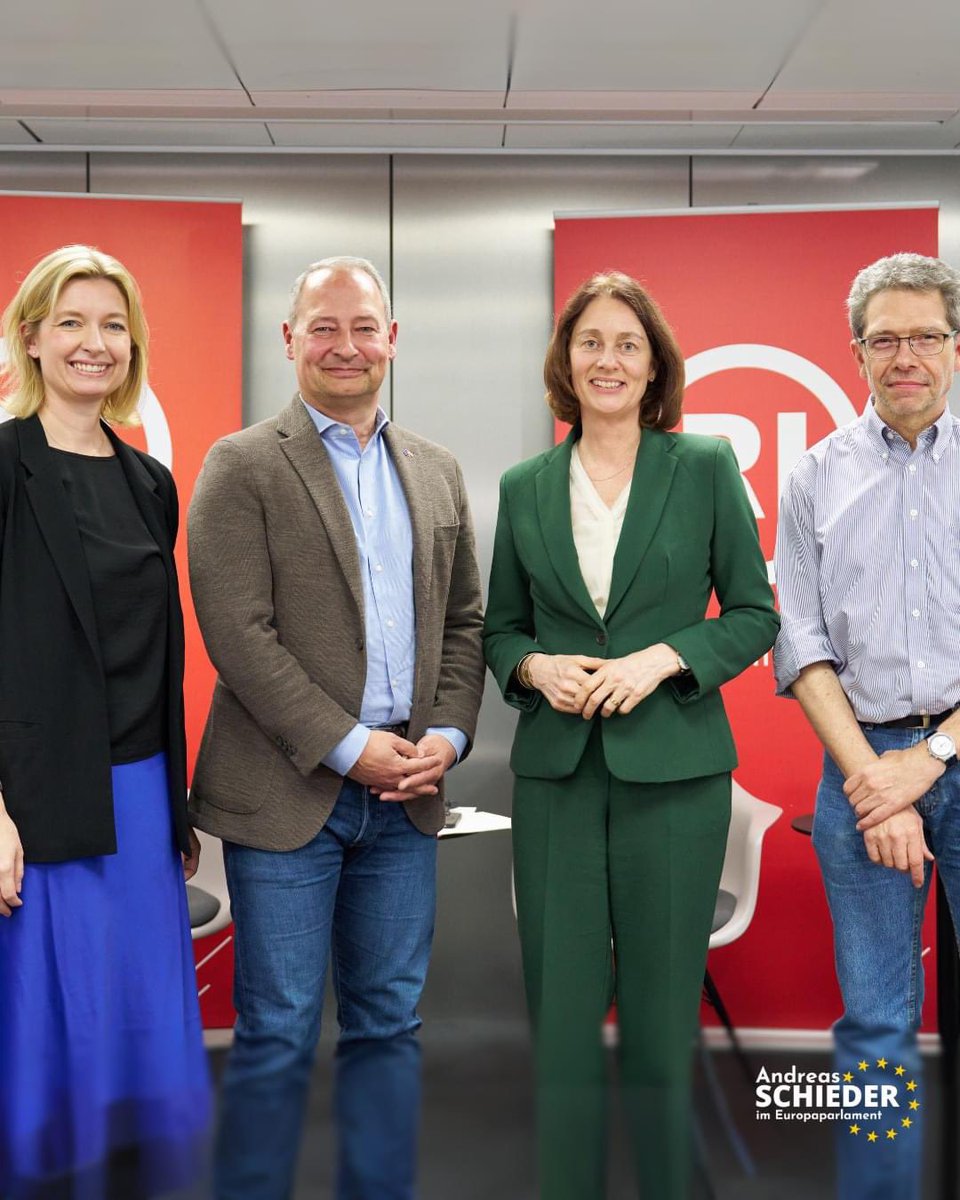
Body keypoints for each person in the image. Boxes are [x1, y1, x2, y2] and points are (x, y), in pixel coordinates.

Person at [187, 254, 485, 1200]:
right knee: (276, 1029)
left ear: (392, 339)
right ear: (290, 340)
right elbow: (239, 634)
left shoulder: (436, 471)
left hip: (409, 795)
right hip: (288, 797)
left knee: (389, 1024)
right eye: (324, 326)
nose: (346, 346)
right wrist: (350, 749)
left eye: (364, 327)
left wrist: (446, 737)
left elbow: (467, 623)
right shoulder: (240, 465)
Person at [482, 270, 778, 1199]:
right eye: (590, 343)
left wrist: (664, 658)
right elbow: (500, 631)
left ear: (655, 367)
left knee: (658, 1026)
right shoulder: (526, 485)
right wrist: (535, 670)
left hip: (678, 780)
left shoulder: (705, 466)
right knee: (563, 1023)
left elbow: (755, 614)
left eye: (627, 345)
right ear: (564, 363)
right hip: (558, 782)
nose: (606, 359)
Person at [0, 245, 210, 1199]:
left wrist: (176, 806)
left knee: (136, 1031)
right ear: (33, 338)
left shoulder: (149, 482)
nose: (95, 343)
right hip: (39, 803)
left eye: (114, 325)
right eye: (73, 323)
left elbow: (153, 658)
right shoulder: (4, 469)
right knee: (56, 1032)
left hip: (141, 797)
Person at [774, 252, 960, 1200]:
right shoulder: (814, 476)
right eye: (884, 338)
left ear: (954, 347)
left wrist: (924, 762)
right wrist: (873, 779)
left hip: (949, 750)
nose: (905, 356)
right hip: (862, 763)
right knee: (877, 1023)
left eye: (924, 334)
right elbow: (801, 649)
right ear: (855, 354)